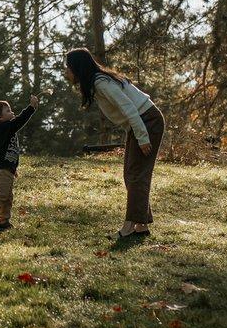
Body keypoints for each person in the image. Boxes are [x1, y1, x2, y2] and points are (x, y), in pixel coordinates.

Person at [63, 47, 164, 242]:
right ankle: (141, 225)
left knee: (136, 174)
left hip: (147, 122)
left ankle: (129, 226)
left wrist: (142, 137)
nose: (66, 72)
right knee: (132, 173)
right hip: (141, 123)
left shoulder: (101, 83)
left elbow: (128, 107)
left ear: (78, 68)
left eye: (68, 68)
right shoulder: (96, 83)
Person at [0, 99, 38, 232]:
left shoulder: (5, 130)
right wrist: (31, 108)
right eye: (8, 110)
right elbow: (19, 121)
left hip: (6, 169)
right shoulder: (4, 127)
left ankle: (3, 221)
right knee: (2, 196)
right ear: (0, 117)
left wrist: (12, 167)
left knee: (7, 197)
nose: (12, 112)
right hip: (0, 169)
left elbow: (1, 150)